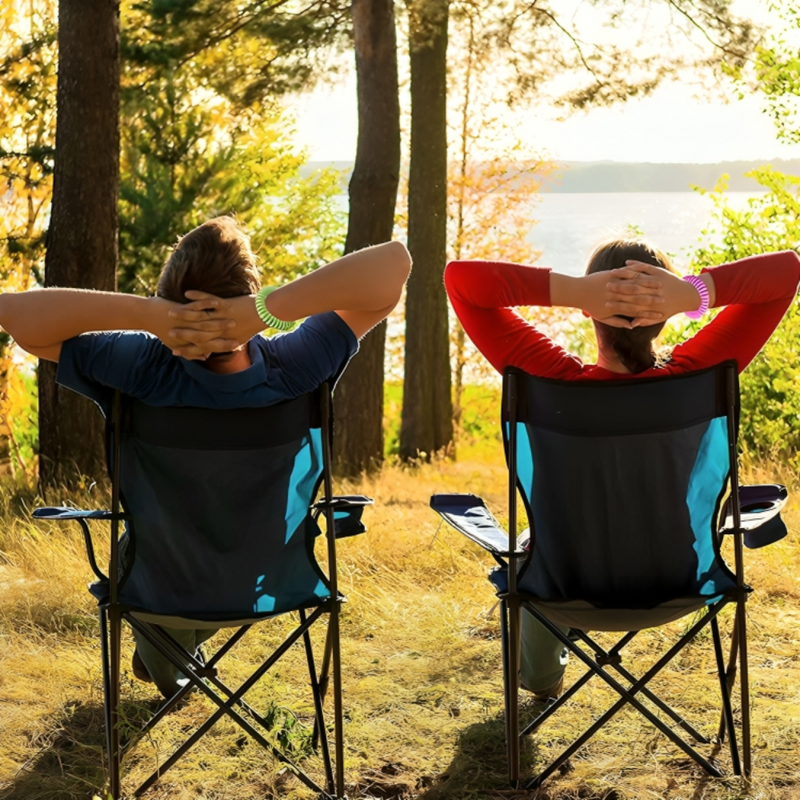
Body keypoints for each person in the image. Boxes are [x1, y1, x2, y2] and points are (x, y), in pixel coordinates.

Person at [0, 216, 412, 698]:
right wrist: (266, 310)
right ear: (247, 292)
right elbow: (393, 267)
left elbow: (15, 316)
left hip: (157, 585)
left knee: (150, 578)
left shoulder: (141, 368)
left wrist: (152, 317)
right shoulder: (295, 365)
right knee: (196, 585)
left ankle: (171, 659)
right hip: (270, 578)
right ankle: (174, 655)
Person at [444, 239, 800, 699]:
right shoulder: (699, 375)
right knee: (542, 545)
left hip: (561, 587)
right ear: (665, 315)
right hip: (677, 584)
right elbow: (786, 271)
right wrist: (694, 293)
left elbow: (461, 281)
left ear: (589, 311)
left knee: (533, 549)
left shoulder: (549, 378)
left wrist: (573, 290)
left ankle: (541, 681)